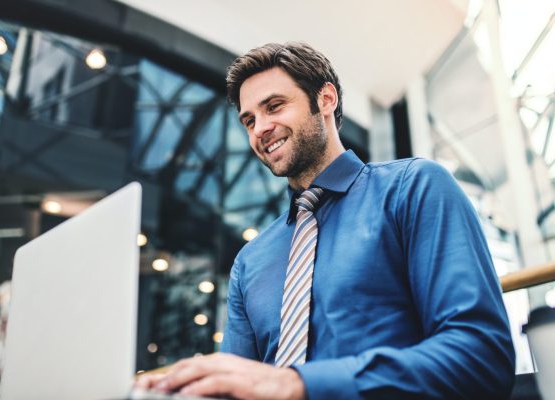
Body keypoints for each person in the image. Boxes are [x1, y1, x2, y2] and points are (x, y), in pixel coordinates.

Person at [136, 42, 515, 399]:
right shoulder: (249, 262)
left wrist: (299, 385)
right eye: (248, 120)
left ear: (326, 99)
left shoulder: (413, 189)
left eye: (275, 106)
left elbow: (481, 356)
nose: (260, 129)